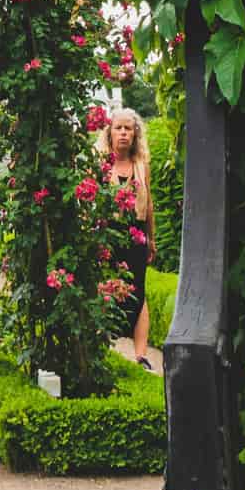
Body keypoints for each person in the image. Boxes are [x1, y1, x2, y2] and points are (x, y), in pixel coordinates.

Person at [99, 108, 155, 369]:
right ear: (109, 132)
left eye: (128, 129)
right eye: (118, 128)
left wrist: (151, 239)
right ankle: (103, 350)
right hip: (109, 235)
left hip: (138, 237)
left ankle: (141, 356)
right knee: (105, 290)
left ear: (135, 134)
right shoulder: (99, 163)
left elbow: (150, 204)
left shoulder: (141, 166)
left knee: (139, 293)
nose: (123, 133)